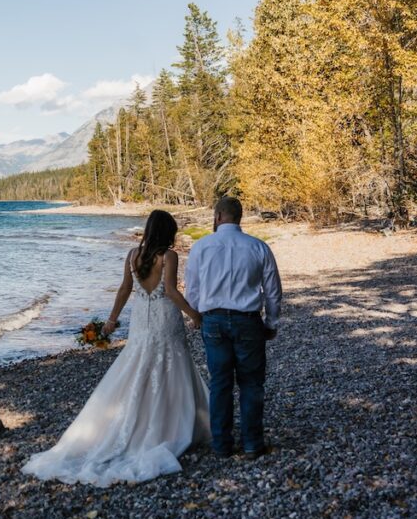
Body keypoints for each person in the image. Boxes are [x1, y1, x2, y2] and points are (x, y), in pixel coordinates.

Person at [22, 210, 211, 487]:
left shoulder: (133, 254)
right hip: (164, 317)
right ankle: (173, 426)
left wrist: (112, 320)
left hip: (141, 321)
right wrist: (194, 314)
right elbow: (170, 291)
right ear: (167, 231)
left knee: (139, 365)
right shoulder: (168, 256)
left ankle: (139, 425)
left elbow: (124, 289)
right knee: (171, 365)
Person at [185, 196, 282, 460]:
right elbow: (273, 291)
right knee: (251, 383)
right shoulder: (258, 247)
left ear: (217, 217)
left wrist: (196, 316)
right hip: (248, 320)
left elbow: (192, 288)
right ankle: (252, 443)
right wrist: (271, 323)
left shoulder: (201, 247)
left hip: (213, 320)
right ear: (240, 218)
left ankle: (222, 445)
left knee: (220, 383)